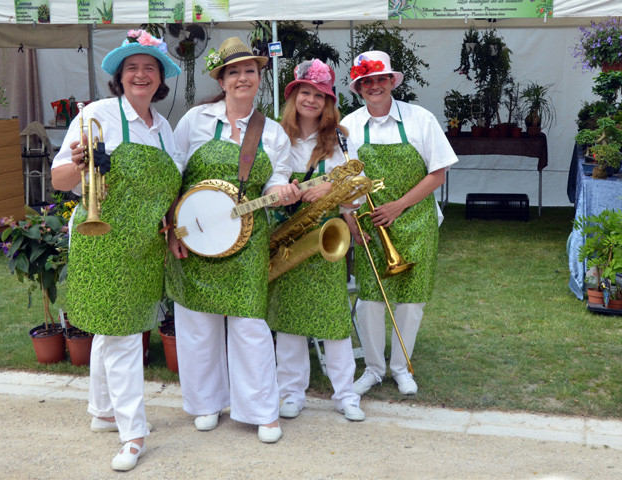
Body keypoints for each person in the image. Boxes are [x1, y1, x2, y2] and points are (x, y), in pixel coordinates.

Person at [51, 29, 182, 471]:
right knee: (125, 335)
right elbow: (59, 181)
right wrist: (79, 161)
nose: (141, 75)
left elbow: (168, 194)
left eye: (149, 68)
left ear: (160, 78)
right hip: (100, 239)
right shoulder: (99, 114)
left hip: (145, 246)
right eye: (132, 68)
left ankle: (103, 412)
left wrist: (169, 231)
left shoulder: (165, 130)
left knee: (112, 330)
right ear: (120, 77)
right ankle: (133, 432)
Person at [165, 37, 302, 444]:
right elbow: (174, 174)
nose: (243, 78)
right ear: (222, 80)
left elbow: (277, 180)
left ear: (260, 79)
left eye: (250, 71)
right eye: (234, 72)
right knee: (196, 325)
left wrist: (285, 192)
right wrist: (173, 226)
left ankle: (261, 409)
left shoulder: (273, 132)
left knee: (249, 325)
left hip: (248, 238)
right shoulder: (195, 120)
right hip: (196, 238)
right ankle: (206, 403)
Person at [341, 51, 458, 397]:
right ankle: (374, 369)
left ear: (392, 81)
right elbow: (342, 183)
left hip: (417, 220)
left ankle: (401, 366)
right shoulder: (348, 127)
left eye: (381, 79)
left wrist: (399, 206)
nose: (375, 86)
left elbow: (439, 172)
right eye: (367, 82)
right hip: (371, 224)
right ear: (359, 88)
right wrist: (351, 222)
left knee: (411, 300)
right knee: (370, 301)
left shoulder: (420, 119)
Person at [267, 59, 365, 422]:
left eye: (319, 95)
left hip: (326, 237)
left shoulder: (340, 140)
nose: (311, 100)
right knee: (289, 319)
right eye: (304, 93)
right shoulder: (276, 135)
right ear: (293, 97)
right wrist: (282, 190)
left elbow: (355, 195)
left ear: (329, 102)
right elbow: (267, 181)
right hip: (287, 236)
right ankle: (291, 393)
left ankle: (346, 395)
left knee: (334, 318)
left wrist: (332, 186)